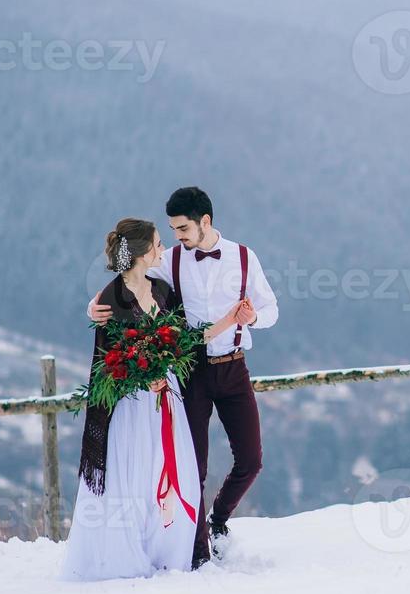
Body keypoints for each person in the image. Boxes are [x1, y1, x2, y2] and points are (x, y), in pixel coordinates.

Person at [89, 187, 278, 568]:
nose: (177, 236)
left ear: (205, 221)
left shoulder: (244, 257)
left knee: (252, 459)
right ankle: (197, 551)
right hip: (190, 373)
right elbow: (129, 280)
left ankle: (219, 520)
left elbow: (271, 309)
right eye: (173, 230)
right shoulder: (170, 260)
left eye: (182, 228)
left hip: (234, 366)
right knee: (194, 468)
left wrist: (253, 317)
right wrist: (93, 305)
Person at [63, 218, 202, 580]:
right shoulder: (111, 298)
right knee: (134, 472)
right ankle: (125, 553)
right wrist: (144, 375)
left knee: (167, 469)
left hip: (165, 399)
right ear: (141, 253)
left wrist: (164, 369)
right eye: (157, 243)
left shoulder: (161, 290)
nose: (162, 249)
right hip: (131, 404)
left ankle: (165, 550)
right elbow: (111, 358)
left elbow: (181, 336)